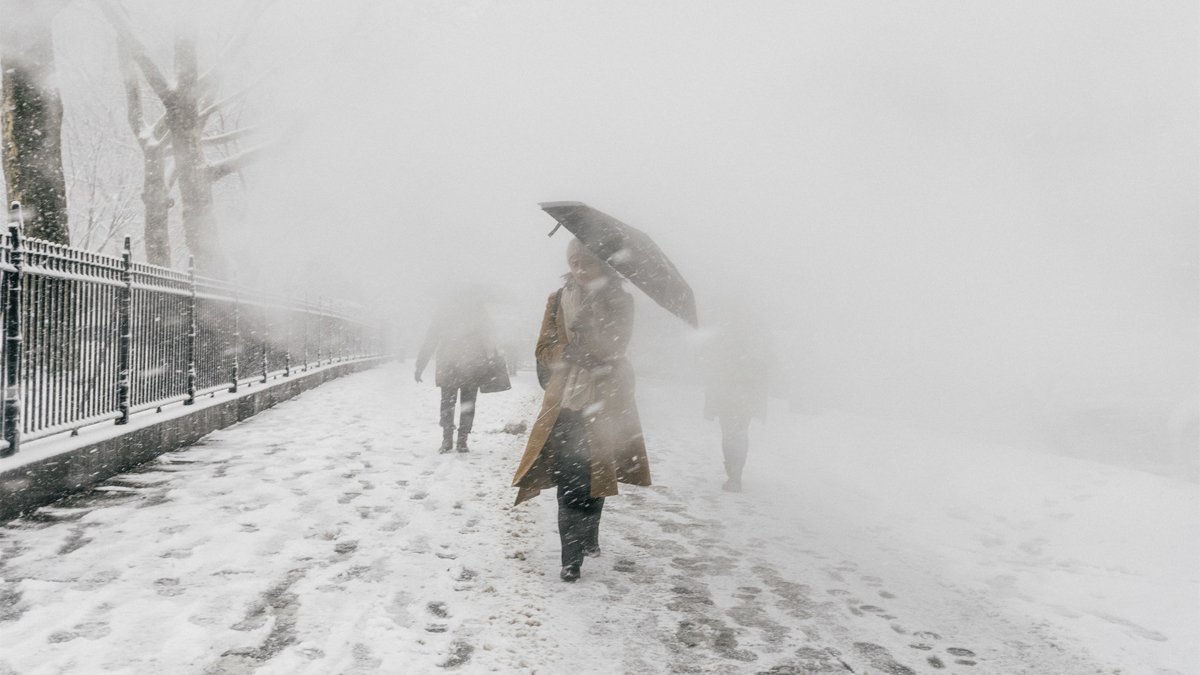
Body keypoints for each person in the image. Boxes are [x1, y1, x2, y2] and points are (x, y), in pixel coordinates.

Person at [511, 239, 651, 582]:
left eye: (587, 262)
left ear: (603, 264)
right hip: (565, 402)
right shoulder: (557, 300)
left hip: (607, 401)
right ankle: (570, 558)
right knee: (570, 478)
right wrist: (566, 352)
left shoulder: (621, 300)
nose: (580, 269)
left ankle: (589, 534)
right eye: (575, 263)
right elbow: (543, 349)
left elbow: (619, 345)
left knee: (596, 475)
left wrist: (595, 338)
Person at [700, 306, 775, 492]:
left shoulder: (727, 335)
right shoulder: (756, 336)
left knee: (731, 433)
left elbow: (714, 363)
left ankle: (734, 474)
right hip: (742, 392)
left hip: (732, 391)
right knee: (738, 432)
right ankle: (735, 473)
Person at [415, 292, 495, 453]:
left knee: (447, 404)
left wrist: (420, 365)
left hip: (449, 364)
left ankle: (447, 439)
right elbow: (490, 337)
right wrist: (491, 358)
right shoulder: (478, 310)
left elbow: (431, 339)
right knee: (467, 404)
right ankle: (462, 440)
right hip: (471, 364)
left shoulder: (444, 310)